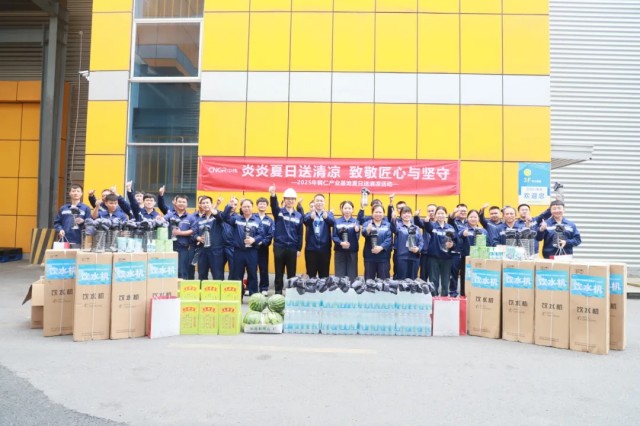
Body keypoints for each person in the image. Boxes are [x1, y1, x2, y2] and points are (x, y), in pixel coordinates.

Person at [221, 198, 264, 296]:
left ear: (252, 207)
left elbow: (261, 234)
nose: (246, 208)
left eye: (248, 206)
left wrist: (254, 239)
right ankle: (238, 296)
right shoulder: (236, 219)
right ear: (241, 208)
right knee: (237, 275)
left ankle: (253, 296)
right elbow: (224, 217)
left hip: (252, 251)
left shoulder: (257, 221)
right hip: (238, 251)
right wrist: (229, 205)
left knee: (252, 274)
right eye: (244, 206)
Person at [269, 185, 303, 295]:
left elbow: (300, 233)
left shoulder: (298, 215)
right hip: (279, 246)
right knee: (279, 272)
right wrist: (273, 195)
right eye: (288, 198)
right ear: (284, 200)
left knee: (291, 273)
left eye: (292, 199)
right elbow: (274, 206)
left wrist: (299, 248)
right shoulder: (279, 212)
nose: (290, 201)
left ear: (295, 200)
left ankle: (290, 294)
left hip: (292, 248)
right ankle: (278, 293)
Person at [425, 206, 457, 297]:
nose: (440, 215)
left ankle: (444, 299)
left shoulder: (450, 227)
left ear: (446, 215)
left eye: (442, 213)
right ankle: (434, 298)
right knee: (433, 280)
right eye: (438, 213)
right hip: (433, 258)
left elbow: (455, 242)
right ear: (435, 215)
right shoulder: (432, 226)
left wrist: (452, 245)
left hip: (447, 258)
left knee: (445, 281)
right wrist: (426, 222)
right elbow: (427, 227)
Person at [191, 196, 225, 280]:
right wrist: (198, 238)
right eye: (203, 203)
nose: (205, 205)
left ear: (211, 204)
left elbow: (222, 219)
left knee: (218, 275)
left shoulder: (217, 215)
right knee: (202, 275)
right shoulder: (199, 219)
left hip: (216, 251)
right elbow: (194, 233)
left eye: (207, 203)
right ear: (200, 205)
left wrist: (215, 213)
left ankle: (218, 289)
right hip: (202, 251)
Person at [164, 194, 196, 279]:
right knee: (169, 270)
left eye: (183, 202)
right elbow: (162, 221)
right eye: (179, 202)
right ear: (175, 203)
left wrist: (179, 233)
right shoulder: (170, 215)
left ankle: (182, 286)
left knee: (182, 271)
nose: (181, 203)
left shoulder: (191, 217)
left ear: (187, 204)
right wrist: (160, 219)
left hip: (183, 248)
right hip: (169, 247)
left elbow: (193, 231)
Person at [303, 194, 335, 278]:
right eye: (317, 200)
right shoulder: (309, 214)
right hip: (311, 249)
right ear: (314, 202)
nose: (319, 202)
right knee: (311, 274)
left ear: (324, 203)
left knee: (324, 275)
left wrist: (327, 218)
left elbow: (333, 223)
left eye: (321, 201)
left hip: (325, 249)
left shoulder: (329, 214)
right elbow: (305, 221)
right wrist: (311, 218)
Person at [457, 210, 488, 296]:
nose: (473, 219)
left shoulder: (483, 231)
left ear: (478, 219)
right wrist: (463, 234)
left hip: (480, 258)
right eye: (471, 217)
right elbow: (459, 235)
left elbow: (487, 243)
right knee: (465, 277)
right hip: (466, 258)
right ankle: (463, 295)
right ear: (467, 218)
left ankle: (477, 295)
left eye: (475, 217)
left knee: (478, 277)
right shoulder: (463, 229)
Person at [361, 204, 393, 280]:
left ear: (383, 214)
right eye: (376, 212)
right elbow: (363, 233)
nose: (378, 214)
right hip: (370, 256)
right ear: (372, 213)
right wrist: (368, 230)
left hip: (383, 257)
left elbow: (389, 239)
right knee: (369, 281)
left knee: (384, 281)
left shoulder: (388, 225)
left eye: (380, 212)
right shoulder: (367, 223)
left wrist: (381, 247)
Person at [392, 206, 423, 280]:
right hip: (402, 257)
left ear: (411, 215)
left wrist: (418, 249)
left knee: (413, 280)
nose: (406, 215)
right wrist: (393, 219)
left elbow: (421, 241)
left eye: (408, 213)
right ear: (400, 215)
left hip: (414, 257)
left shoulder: (416, 228)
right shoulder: (398, 226)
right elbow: (393, 228)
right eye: (404, 213)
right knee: (401, 280)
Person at [332, 200, 360, 282]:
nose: (347, 210)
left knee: (352, 276)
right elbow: (334, 236)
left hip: (352, 251)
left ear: (352, 210)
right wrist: (341, 243)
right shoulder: (336, 221)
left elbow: (357, 237)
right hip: (340, 251)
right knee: (340, 275)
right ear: (342, 209)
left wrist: (357, 230)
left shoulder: (356, 222)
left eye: (349, 208)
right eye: (345, 208)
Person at [255, 197, 274, 295]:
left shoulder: (270, 220)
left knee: (263, 268)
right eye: (260, 204)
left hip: (263, 247)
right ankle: (251, 287)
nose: (262, 205)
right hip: (252, 247)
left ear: (267, 206)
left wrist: (263, 242)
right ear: (257, 205)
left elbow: (271, 234)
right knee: (251, 267)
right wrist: (254, 241)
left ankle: (264, 288)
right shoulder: (252, 217)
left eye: (264, 204)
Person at [448, 203, 467, 297]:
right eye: (461, 210)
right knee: (454, 274)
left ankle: (464, 293)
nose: (463, 212)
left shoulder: (469, 222)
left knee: (465, 275)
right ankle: (453, 293)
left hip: (466, 254)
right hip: (455, 252)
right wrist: (453, 213)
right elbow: (450, 218)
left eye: (464, 211)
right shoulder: (454, 222)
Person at [413, 204, 436, 282]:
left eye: (432, 211)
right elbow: (418, 223)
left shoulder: (440, 222)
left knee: (434, 275)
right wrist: (416, 216)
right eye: (429, 211)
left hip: (436, 253)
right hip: (425, 252)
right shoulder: (425, 221)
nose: (431, 212)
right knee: (423, 274)